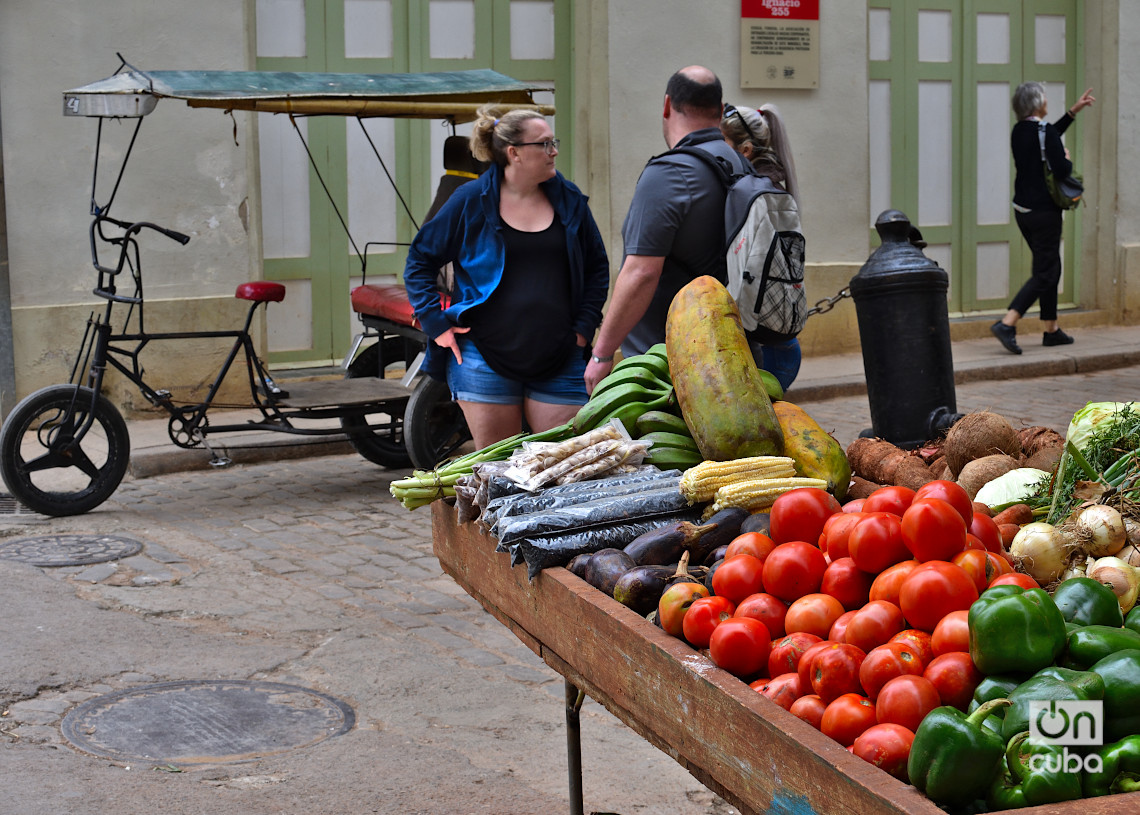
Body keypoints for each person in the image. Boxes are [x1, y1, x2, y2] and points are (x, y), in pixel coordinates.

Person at [403, 107, 610, 450]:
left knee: (563, 466)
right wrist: (435, 325)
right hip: (483, 358)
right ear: (513, 153)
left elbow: (597, 268)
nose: (554, 151)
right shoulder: (470, 201)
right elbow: (419, 260)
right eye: (544, 144)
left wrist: (584, 328)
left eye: (553, 142)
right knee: (499, 473)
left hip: (559, 355)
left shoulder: (569, 200)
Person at [584, 66, 751, 394]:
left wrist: (603, 354)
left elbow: (641, 272)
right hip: (732, 348)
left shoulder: (670, 173)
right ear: (719, 111)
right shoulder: (739, 164)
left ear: (666, 105)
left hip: (669, 364)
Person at [992, 82, 1095, 355]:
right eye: (1045, 98)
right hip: (1044, 213)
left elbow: (1047, 136)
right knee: (1045, 271)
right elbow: (1061, 169)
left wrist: (1073, 112)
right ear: (1038, 103)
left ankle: (1051, 331)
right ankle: (1007, 322)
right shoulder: (1044, 132)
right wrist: (1066, 158)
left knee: (1051, 266)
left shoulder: (1020, 131)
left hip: (1023, 211)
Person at [721, 101, 802, 391]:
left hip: (763, 344)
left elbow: (747, 271)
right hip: (781, 337)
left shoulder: (751, 192)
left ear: (745, 151)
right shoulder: (775, 186)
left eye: (723, 143)